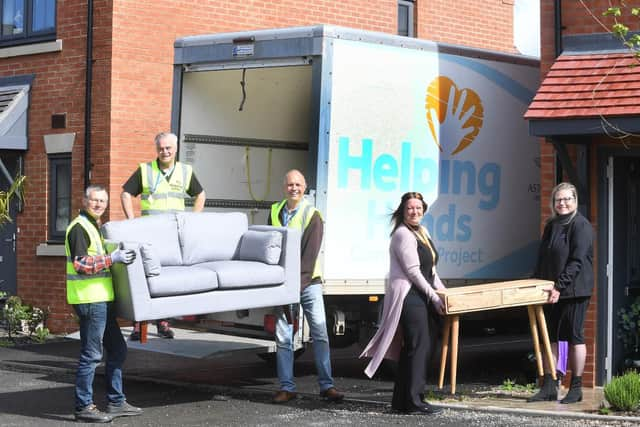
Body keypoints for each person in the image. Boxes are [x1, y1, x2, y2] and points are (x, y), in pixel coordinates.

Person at [360, 192, 446, 415]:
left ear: (424, 210)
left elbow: (431, 271)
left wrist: (444, 293)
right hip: (410, 297)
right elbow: (413, 273)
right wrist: (435, 297)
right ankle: (415, 401)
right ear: (403, 211)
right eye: (410, 208)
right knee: (419, 347)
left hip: (422, 296)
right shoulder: (402, 234)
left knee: (416, 348)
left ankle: (402, 401)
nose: (414, 212)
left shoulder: (422, 232)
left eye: (418, 208)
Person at [66, 185, 142, 422]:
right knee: (91, 355)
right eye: (94, 200)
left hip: (101, 300)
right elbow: (81, 264)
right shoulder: (79, 228)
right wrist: (112, 258)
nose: (98, 204)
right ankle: (83, 407)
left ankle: (116, 402)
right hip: (90, 300)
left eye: (102, 201)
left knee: (118, 349)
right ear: (84, 200)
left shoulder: (93, 226)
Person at [121, 131, 206, 340]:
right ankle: (138, 325)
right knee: (142, 278)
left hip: (172, 236)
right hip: (148, 235)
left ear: (175, 149)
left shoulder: (185, 171)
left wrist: (193, 220)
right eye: (161, 148)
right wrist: (132, 221)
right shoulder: (145, 170)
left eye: (168, 148)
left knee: (167, 280)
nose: (164, 152)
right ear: (156, 149)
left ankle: (163, 323)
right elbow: (125, 193)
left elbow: (200, 195)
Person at [268, 169, 344, 404]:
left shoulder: (313, 214)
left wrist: (295, 287)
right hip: (283, 282)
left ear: (305, 186)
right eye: (290, 184)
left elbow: (309, 258)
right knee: (283, 337)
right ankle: (287, 387)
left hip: (308, 282)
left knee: (320, 334)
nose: (294, 188)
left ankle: (327, 386)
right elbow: (269, 246)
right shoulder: (274, 210)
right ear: (284, 187)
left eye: (298, 185)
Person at [527, 182, 594, 404]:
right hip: (550, 289)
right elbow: (543, 257)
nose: (562, 203)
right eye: (558, 200)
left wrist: (559, 286)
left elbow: (576, 262)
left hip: (574, 290)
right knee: (555, 339)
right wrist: (535, 280)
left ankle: (575, 387)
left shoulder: (581, 226)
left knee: (573, 337)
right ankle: (552, 384)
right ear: (553, 203)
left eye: (567, 199)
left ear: (575, 201)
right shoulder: (551, 225)